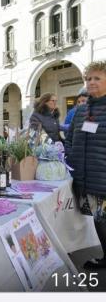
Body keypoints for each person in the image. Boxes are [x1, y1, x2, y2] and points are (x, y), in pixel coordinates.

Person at [65, 61, 106, 269]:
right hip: (86, 177)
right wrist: (71, 155)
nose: (91, 82)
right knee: (99, 220)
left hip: (103, 176)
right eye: (88, 78)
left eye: (97, 78)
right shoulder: (81, 111)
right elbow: (70, 138)